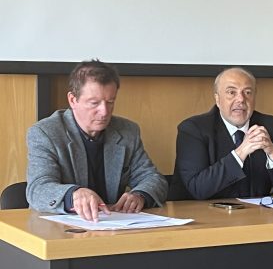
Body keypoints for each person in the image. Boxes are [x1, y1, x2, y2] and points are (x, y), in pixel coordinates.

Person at [26, 59, 168, 221]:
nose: (104, 111)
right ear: (73, 100)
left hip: (113, 224)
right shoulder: (45, 133)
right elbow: (37, 189)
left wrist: (140, 195)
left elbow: (153, 178)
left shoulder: (127, 131)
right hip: (56, 227)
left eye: (110, 102)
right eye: (94, 103)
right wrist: (73, 194)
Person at [170, 67, 273, 200]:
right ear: (217, 99)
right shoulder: (193, 129)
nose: (241, 99)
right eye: (231, 92)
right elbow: (198, 189)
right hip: (201, 211)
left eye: (248, 92)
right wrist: (241, 152)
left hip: (258, 211)